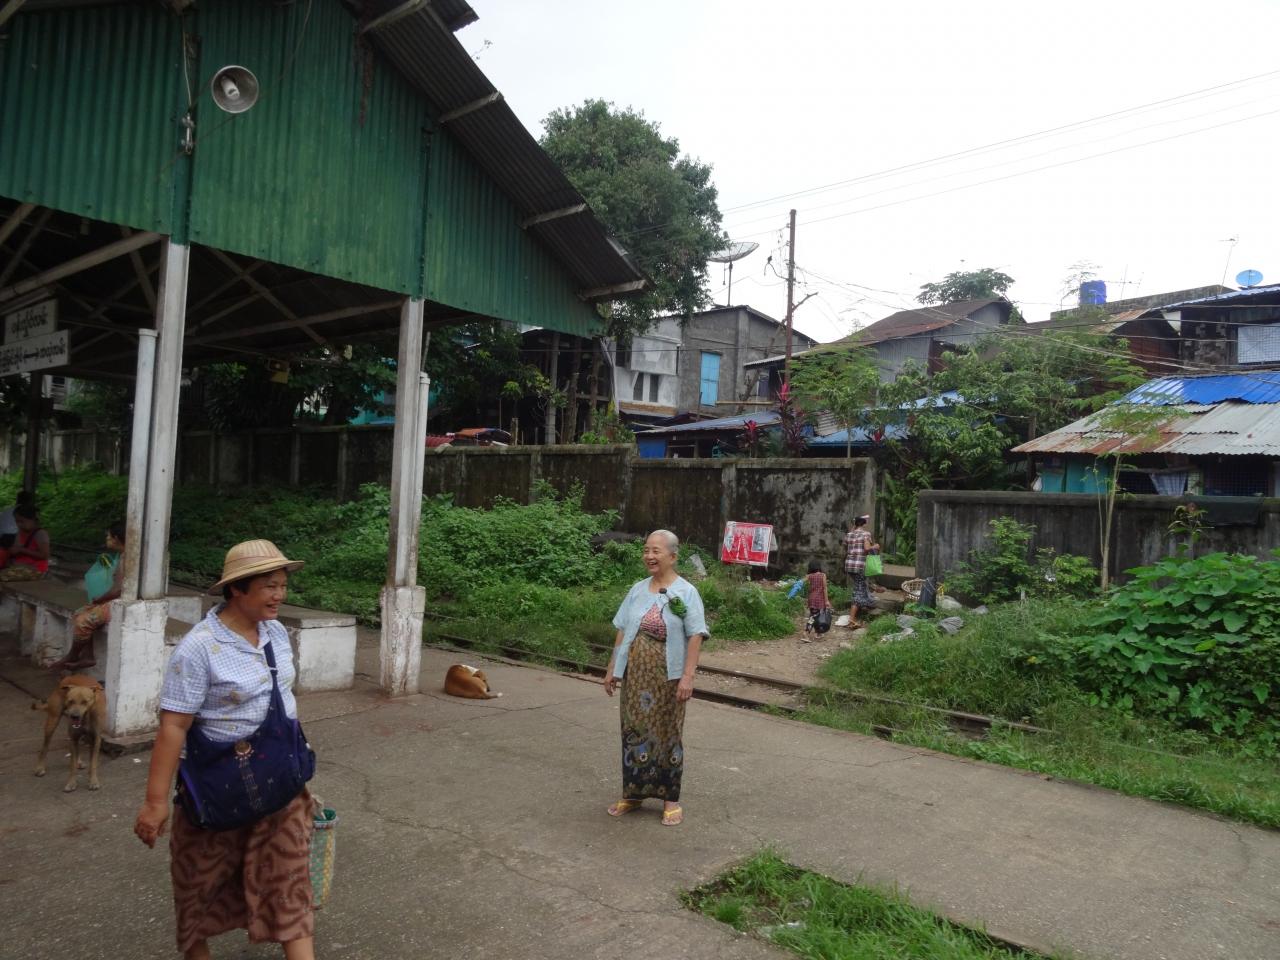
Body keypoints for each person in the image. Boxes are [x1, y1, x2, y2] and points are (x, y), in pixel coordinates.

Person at [133, 539, 316, 960]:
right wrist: (155, 803)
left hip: (280, 784)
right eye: (269, 586)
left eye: (282, 585)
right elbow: (174, 725)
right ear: (237, 589)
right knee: (199, 884)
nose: (279, 595)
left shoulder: (275, 633)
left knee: (289, 880)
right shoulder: (198, 648)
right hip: (219, 786)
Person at [604, 529, 708, 827]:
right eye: (646, 550)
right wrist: (612, 668)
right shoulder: (637, 589)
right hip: (636, 677)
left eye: (655, 551)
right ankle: (633, 794)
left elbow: (696, 634)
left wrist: (688, 676)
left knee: (668, 732)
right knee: (633, 731)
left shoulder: (687, 592)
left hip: (669, 678)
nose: (649, 556)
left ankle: (670, 799)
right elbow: (622, 629)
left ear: (672, 557)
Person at [50, 521, 125, 671]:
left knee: (83, 620)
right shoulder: (122, 555)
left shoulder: (127, 557)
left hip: (120, 603)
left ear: (116, 538)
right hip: (116, 600)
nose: (107, 539)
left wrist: (100, 599)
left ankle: (72, 655)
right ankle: (87, 656)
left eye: (108, 536)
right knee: (79, 612)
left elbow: (117, 590)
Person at [843, 514, 880, 629]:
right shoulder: (866, 534)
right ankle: (852, 619)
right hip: (860, 565)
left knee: (861, 585)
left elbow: (846, 545)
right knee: (858, 590)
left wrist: (854, 527)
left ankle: (866, 604)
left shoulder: (849, 535)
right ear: (864, 524)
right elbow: (867, 548)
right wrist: (875, 546)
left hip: (849, 565)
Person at [0, 504, 50, 580]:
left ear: (33, 519)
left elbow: (44, 555)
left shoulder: (40, 533)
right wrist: (12, 551)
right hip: (19, 567)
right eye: (17, 521)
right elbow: (16, 548)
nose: (18, 524)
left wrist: (21, 550)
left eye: (21, 521)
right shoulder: (20, 532)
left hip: (35, 570)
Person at [803, 560, 830, 641]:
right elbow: (825, 589)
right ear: (818, 567)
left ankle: (818, 633)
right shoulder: (823, 575)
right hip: (819, 600)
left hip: (811, 599)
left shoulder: (809, 576)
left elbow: (801, 582)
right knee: (813, 617)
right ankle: (806, 633)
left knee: (815, 616)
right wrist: (827, 601)